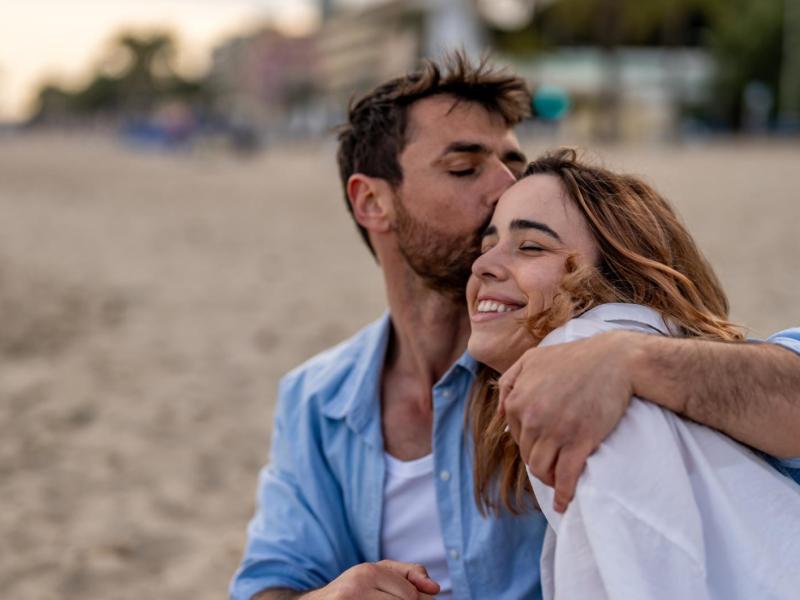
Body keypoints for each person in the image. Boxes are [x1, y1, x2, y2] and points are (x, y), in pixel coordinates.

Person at [230, 54, 800, 600]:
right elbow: (268, 579)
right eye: (464, 167)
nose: (503, 185)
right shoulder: (316, 398)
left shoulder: (587, 343)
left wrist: (630, 359)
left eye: (514, 165)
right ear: (372, 201)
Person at [467, 148, 800, 599]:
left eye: (531, 246)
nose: (481, 265)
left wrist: (625, 355)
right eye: (487, 247)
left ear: (619, 282)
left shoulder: (584, 352)